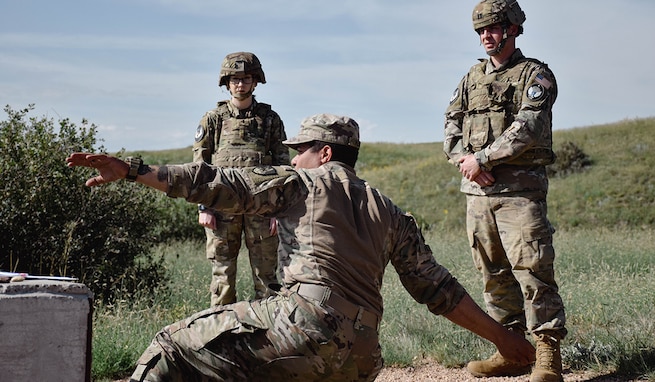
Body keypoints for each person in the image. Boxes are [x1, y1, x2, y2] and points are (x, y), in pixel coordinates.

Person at [67, 113, 535, 382]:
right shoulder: (391, 212)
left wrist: (131, 170)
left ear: (325, 153)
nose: (292, 157)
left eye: (301, 148)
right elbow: (439, 291)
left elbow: (215, 182)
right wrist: (506, 340)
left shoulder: (300, 183)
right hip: (362, 359)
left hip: (304, 329)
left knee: (171, 346)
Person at [443, 1, 566, 381]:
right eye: (481, 31)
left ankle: (547, 355)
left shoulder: (536, 75)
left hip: (519, 194)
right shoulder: (471, 77)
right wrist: (465, 160)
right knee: (492, 273)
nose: (486, 37)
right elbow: (451, 123)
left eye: (494, 29)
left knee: (532, 269)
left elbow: (527, 128)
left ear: (513, 29)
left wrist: (483, 160)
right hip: (477, 195)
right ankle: (512, 351)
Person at [193, 51, 289, 306]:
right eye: (234, 79)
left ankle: (271, 339)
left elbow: (284, 168)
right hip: (221, 207)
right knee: (222, 277)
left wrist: (278, 211)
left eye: (246, 78)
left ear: (255, 81)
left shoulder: (270, 120)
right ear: (226, 83)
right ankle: (222, 337)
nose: (240, 84)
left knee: (267, 278)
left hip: (262, 208)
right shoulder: (213, 119)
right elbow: (200, 167)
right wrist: (205, 207)